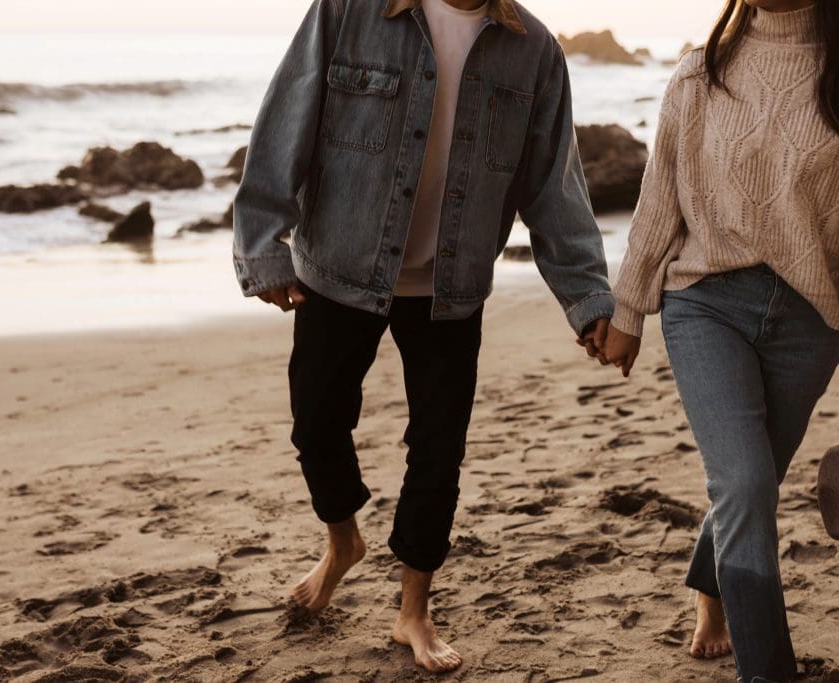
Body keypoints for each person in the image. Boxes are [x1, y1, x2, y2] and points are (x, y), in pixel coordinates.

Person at [232, 0, 614, 673]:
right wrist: (263, 242)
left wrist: (587, 300)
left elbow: (554, 188)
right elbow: (288, 116)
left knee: (438, 451)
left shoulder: (534, 53)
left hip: (450, 286)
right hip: (339, 268)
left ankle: (413, 610)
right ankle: (342, 541)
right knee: (317, 422)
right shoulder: (350, 11)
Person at [601, 0, 839, 680]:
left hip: (808, 324)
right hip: (705, 305)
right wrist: (629, 307)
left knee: (750, 482)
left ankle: (710, 588)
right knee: (747, 481)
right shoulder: (698, 76)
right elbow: (660, 198)